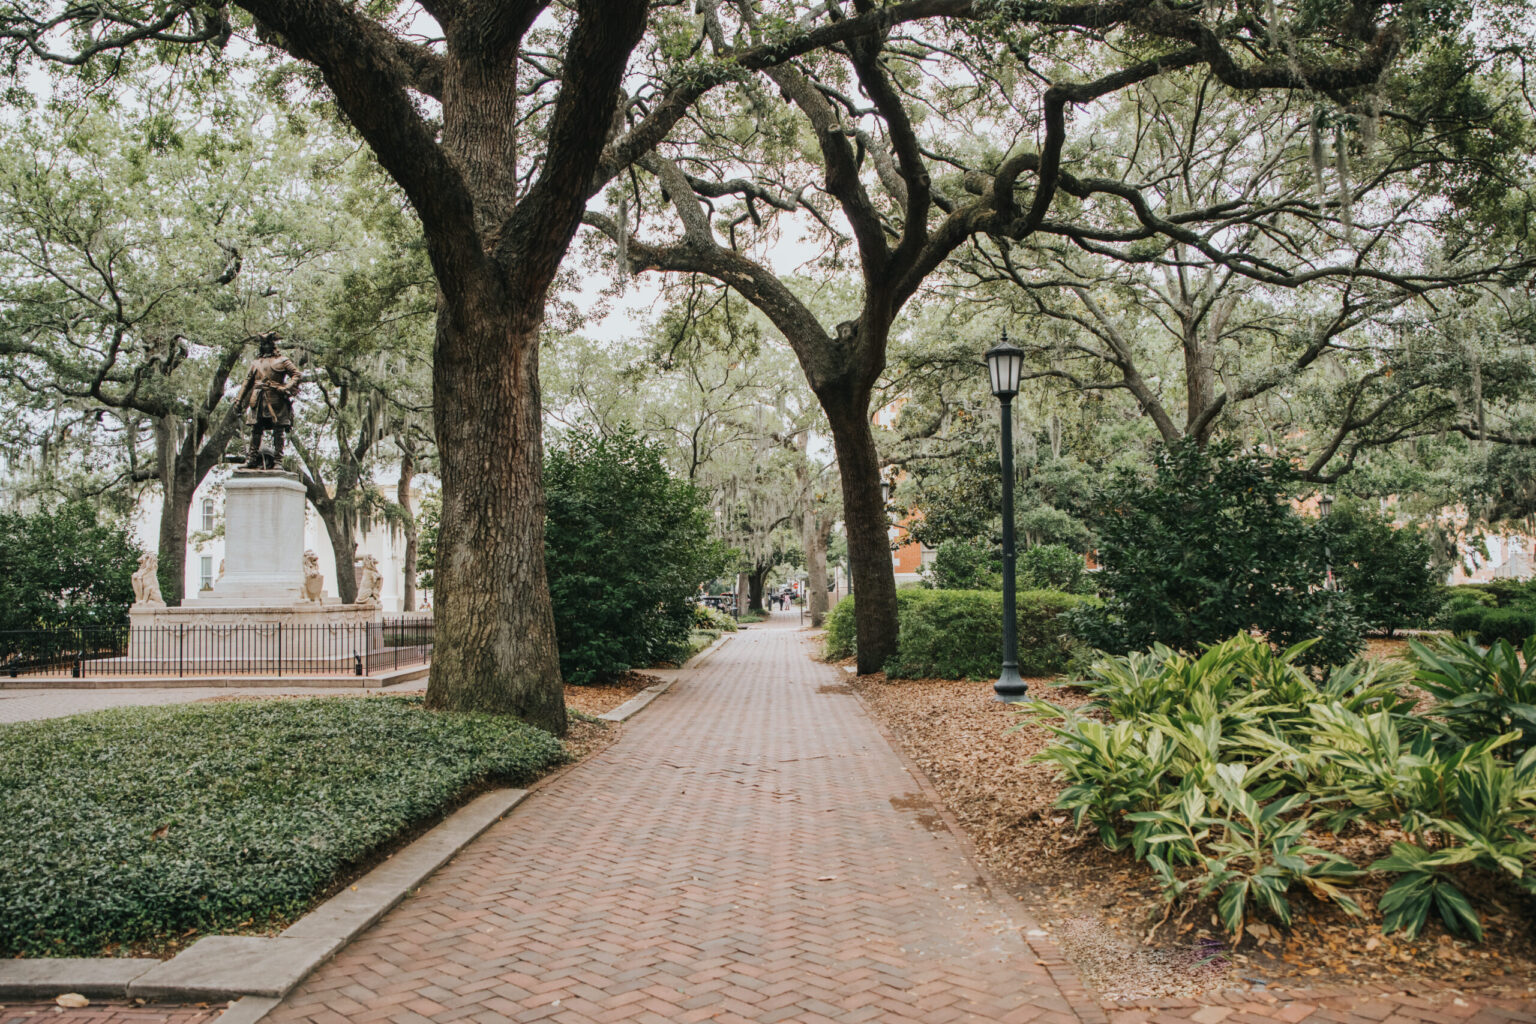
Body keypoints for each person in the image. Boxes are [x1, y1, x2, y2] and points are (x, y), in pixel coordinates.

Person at [236, 332, 303, 469]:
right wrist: (238, 400)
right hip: (258, 399)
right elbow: (247, 382)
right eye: (263, 344)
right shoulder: (256, 363)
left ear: (273, 345)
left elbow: (297, 374)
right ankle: (252, 459)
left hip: (276, 400)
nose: (265, 347)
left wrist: (286, 387)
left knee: (278, 430)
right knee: (256, 430)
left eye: (267, 344)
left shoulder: (283, 360)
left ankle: (278, 461)